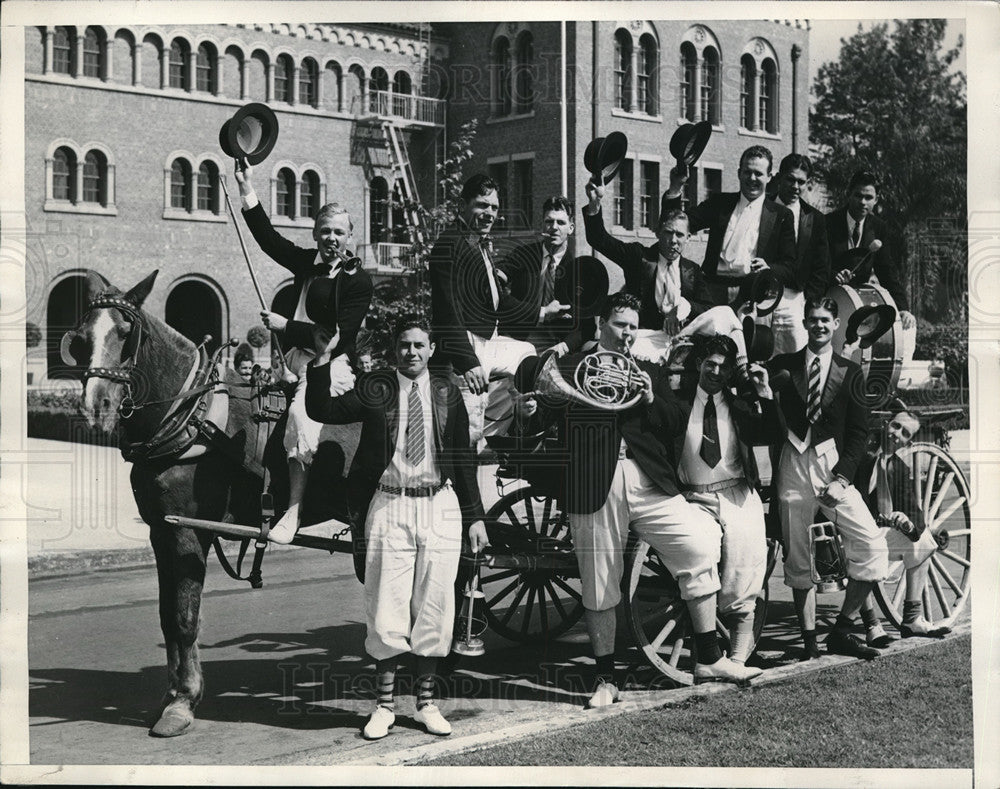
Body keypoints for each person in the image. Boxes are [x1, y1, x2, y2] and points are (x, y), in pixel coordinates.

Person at [516, 292, 763, 708]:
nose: (628, 333)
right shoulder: (573, 367)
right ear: (601, 324)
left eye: (633, 326)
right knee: (599, 581)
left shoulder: (648, 369)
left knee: (700, 543)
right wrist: (528, 415)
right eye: (620, 324)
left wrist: (650, 399)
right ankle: (606, 680)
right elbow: (542, 415)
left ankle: (709, 658)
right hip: (594, 481)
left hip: (647, 480)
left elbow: (675, 422)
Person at [305, 316, 489, 740]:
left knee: (435, 607)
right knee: (386, 608)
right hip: (389, 504)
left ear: (432, 350)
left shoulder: (447, 393)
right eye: (405, 345)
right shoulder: (377, 388)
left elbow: (462, 457)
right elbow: (322, 410)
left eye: (419, 345)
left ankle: (426, 705)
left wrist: (476, 515)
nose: (412, 352)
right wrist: (323, 359)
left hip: (439, 505)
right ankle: (384, 708)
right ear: (395, 349)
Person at [234, 160, 373, 544]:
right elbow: (267, 238)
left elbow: (338, 337)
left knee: (300, 415)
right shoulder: (306, 262)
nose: (331, 238)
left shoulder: (357, 281)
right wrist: (246, 186)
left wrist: (286, 326)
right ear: (314, 233)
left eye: (339, 232)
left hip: (329, 366)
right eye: (325, 231)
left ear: (350, 237)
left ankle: (293, 511)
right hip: (291, 362)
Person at [768, 297, 890, 661]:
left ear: (835, 325)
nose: (818, 325)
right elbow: (754, 395)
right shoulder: (784, 365)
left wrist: (842, 478)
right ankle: (809, 644)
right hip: (792, 463)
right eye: (812, 319)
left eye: (825, 320)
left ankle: (841, 629)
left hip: (831, 466)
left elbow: (858, 434)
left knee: (872, 546)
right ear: (804, 323)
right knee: (798, 558)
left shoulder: (850, 372)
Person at [678, 335, 781, 664]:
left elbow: (771, 435)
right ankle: (709, 647)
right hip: (693, 496)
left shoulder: (739, 406)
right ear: (699, 364)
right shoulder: (679, 403)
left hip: (736, 493)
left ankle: (738, 657)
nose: (716, 372)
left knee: (746, 567)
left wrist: (765, 394)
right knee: (700, 555)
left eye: (723, 368)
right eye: (711, 365)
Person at [428, 174, 537, 445]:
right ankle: (468, 458)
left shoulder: (478, 243)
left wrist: (544, 312)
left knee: (527, 354)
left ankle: (500, 431)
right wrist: (467, 361)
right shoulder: (450, 244)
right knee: (466, 434)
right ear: (462, 205)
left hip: (487, 341)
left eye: (494, 207)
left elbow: (497, 300)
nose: (489, 213)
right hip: (466, 346)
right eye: (482, 205)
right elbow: (446, 310)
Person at [854, 410, 950, 643]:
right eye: (896, 426)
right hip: (851, 529)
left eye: (905, 433)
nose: (897, 434)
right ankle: (872, 624)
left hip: (876, 532)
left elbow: (916, 515)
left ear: (908, 443)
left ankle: (911, 619)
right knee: (866, 546)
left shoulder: (898, 468)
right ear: (887, 424)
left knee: (924, 541)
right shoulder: (860, 452)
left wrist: (907, 524)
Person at [660, 145, 797, 307]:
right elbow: (677, 223)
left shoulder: (781, 215)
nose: (752, 178)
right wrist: (675, 187)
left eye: (758, 173)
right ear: (739, 173)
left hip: (754, 293)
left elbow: (789, 267)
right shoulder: (719, 203)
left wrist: (769, 268)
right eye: (747, 172)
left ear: (769, 177)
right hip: (712, 290)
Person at [499, 196, 598, 357]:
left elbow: (588, 327)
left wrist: (563, 347)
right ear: (542, 225)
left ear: (571, 228)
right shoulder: (523, 255)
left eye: (561, 222)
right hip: (517, 339)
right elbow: (495, 283)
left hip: (556, 345)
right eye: (549, 221)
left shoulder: (580, 271)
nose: (554, 227)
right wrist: (541, 312)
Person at [826, 170, 914, 330]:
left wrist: (903, 308)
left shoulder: (879, 227)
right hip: (827, 299)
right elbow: (816, 264)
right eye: (858, 196)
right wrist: (833, 275)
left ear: (876, 200)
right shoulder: (827, 223)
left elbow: (887, 272)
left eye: (868, 197)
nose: (863, 202)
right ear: (848, 194)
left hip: (858, 306)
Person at [767, 154, 831, 354]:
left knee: (796, 358)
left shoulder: (815, 219)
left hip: (795, 299)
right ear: (779, 178)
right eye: (790, 179)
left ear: (807, 183)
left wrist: (807, 303)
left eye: (801, 182)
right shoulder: (761, 207)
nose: (795, 186)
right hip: (761, 295)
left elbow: (821, 267)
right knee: (758, 355)